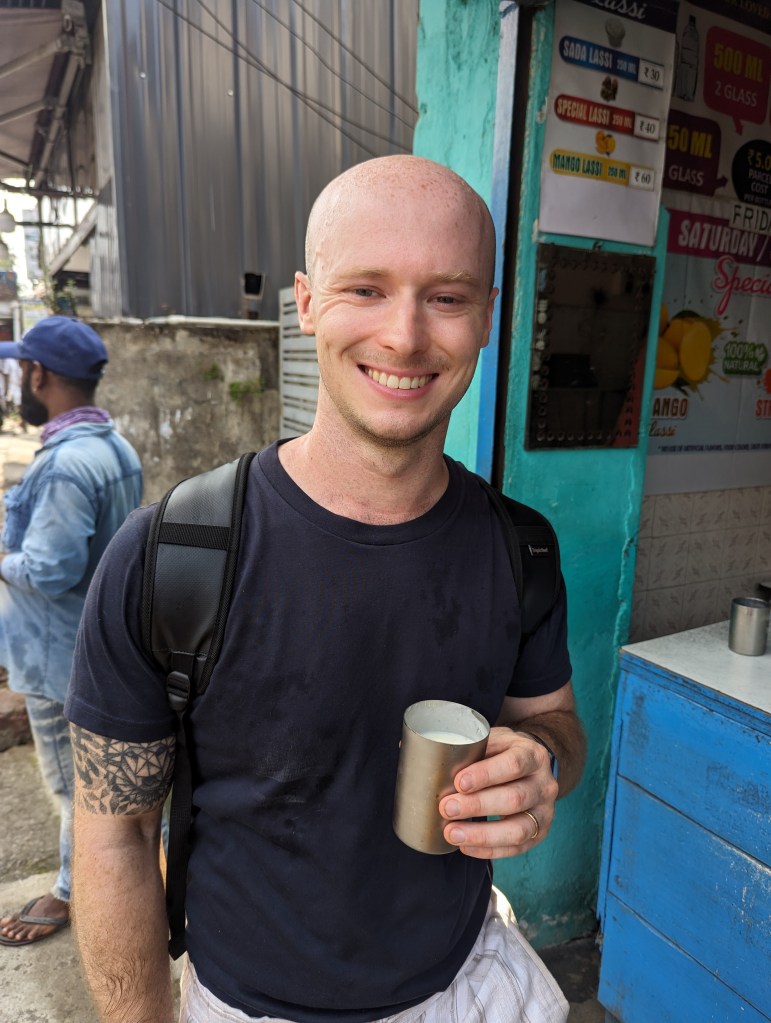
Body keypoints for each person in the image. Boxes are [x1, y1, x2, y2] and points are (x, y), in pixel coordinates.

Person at [65, 156, 586, 1023]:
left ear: (487, 317)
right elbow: (115, 833)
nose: (404, 336)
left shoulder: (520, 548)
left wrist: (543, 764)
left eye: (446, 296)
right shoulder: (174, 554)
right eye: (366, 289)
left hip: (470, 985)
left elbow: (556, 722)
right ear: (306, 302)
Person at [0, 316, 143, 946]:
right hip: (98, 644)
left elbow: (50, 570)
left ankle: (68, 891)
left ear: (39, 374)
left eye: (19, 369)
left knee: (73, 787)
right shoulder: (114, 447)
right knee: (105, 782)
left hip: (59, 659)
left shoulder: (65, 466)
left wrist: (2, 559)